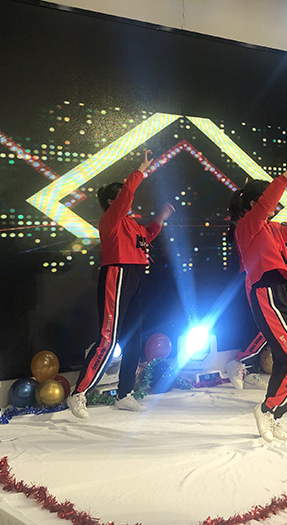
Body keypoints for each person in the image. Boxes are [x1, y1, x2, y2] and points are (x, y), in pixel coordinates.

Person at [67, 150, 174, 419]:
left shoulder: (131, 224)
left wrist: (160, 218)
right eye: (123, 198)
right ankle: (79, 393)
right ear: (111, 202)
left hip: (135, 275)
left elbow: (147, 235)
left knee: (133, 340)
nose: (129, 201)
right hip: (117, 274)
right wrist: (141, 169)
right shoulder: (111, 220)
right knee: (108, 339)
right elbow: (127, 194)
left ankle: (124, 394)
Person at [228, 166, 287, 442]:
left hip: (282, 291)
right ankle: (267, 409)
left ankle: (273, 415)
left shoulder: (273, 228)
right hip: (266, 292)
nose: (274, 207)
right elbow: (266, 203)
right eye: (266, 201)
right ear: (254, 204)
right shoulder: (247, 225)